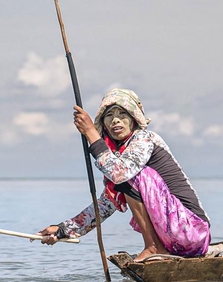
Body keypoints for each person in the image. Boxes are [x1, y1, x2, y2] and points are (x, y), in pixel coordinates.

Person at [38, 89, 211, 262]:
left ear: (134, 118)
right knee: (124, 177)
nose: (115, 120)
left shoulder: (145, 138)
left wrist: (91, 132)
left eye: (122, 114)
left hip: (192, 231)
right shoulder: (120, 155)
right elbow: (106, 204)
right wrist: (62, 230)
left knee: (128, 175)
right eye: (109, 115)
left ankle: (153, 247)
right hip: (174, 238)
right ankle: (155, 247)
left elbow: (120, 174)